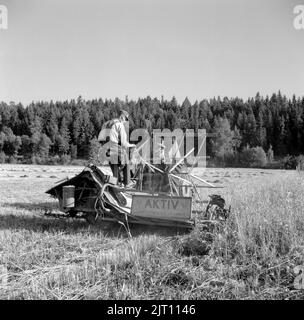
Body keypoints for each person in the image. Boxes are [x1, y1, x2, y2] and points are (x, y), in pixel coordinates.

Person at [98, 110, 136, 187]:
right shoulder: (119, 125)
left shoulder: (106, 124)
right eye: (125, 119)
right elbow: (124, 143)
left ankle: (117, 182)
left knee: (114, 163)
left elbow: (101, 138)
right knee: (126, 161)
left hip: (104, 149)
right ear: (122, 117)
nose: (125, 122)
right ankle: (127, 183)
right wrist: (133, 145)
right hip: (113, 146)